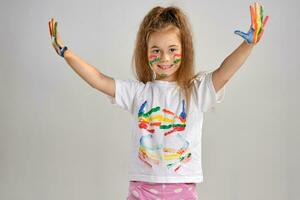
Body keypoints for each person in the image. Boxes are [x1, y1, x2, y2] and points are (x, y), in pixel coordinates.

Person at [48, 2, 269, 199]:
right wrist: (67, 54)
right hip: (141, 189)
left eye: (172, 49)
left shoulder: (196, 92)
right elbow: (98, 79)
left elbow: (225, 72)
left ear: (185, 50)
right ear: (145, 52)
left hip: (181, 190)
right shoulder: (137, 93)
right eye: (156, 50)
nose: (165, 58)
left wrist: (248, 45)